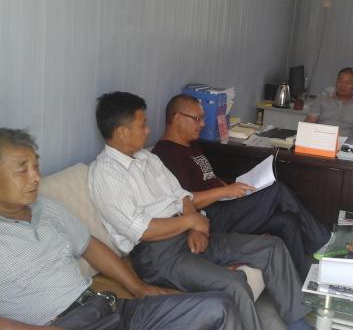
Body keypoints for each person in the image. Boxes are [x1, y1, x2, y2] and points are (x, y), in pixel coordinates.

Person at [88, 91, 313, 330]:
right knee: (234, 285)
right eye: (142, 125)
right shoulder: (106, 174)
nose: (148, 130)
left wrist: (196, 228)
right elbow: (142, 230)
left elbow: (182, 196)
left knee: (271, 247)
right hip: (159, 256)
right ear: (122, 132)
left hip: (188, 235)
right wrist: (191, 223)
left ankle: (297, 323)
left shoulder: (147, 159)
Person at [0, 127, 241, 330]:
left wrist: (138, 287)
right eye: (22, 169)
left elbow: (89, 245)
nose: (35, 177)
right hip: (65, 324)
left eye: (36, 166)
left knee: (220, 306)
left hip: (106, 306)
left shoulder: (46, 207)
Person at [152, 94, 331, 280]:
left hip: (225, 204)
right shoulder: (166, 154)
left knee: (286, 221)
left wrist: (231, 188)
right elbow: (184, 201)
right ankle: (322, 241)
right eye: (197, 119)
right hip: (211, 218)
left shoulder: (191, 145)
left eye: (203, 118)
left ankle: (305, 281)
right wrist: (225, 191)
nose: (203, 124)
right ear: (177, 118)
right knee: (278, 192)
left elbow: (207, 179)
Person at [305, 67, 353, 139]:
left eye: (348, 83)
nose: (343, 85)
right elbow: (310, 121)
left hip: (346, 142)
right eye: (340, 81)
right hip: (321, 139)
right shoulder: (323, 97)